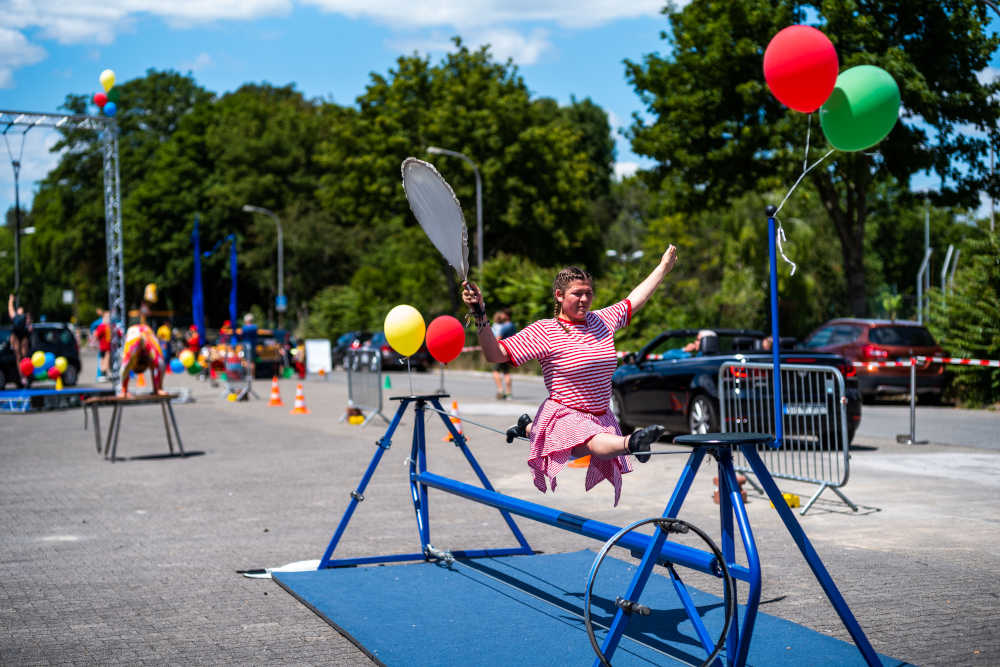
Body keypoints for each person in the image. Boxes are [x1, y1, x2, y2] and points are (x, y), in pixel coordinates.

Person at [461, 244, 678, 506]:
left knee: (591, 437)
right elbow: (495, 355)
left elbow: (635, 299)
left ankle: (527, 426)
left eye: (589, 293)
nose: (585, 299)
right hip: (566, 414)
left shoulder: (603, 320)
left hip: (600, 415)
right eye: (577, 294)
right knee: (591, 440)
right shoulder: (545, 331)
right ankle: (633, 441)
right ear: (559, 296)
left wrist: (663, 268)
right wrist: (480, 314)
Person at [119, 323, 167, 397]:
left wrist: (124, 390)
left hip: (138, 332)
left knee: (127, 363)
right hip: (144, 332)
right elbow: (159, 365)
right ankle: (157, 388)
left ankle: (157, 388)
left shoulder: (132, 353)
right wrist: (158, 388)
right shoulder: (145, 351)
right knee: (158, 362)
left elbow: (125, 367)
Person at [490, 309, 516, 399]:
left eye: (503, 315)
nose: (502, 316)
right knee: (506, 372)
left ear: (506, 316)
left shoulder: (504, 327)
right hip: (509, 352)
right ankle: (509, 393)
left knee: (495, 371)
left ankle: (500, 390)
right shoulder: (513, 326)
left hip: (500, 351)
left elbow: (498, 338)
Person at [8, 294, 32, 388]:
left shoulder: (25, 317)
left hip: (23, 335)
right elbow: (10, 308)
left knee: (24, 355)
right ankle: (22, 376)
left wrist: (29, 325)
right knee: (18, 355)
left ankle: (24, 375)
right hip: (16, 335)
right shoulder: (15, 317)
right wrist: (11, 300)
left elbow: (29, 325)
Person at [240, 313, 258, 378]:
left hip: (246, 345)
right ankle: (253, 375)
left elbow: (241, 335)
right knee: (252, 361)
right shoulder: (255, 327)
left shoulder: (244, 328)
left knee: (246, 361)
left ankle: (248, 374)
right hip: (253, 345)